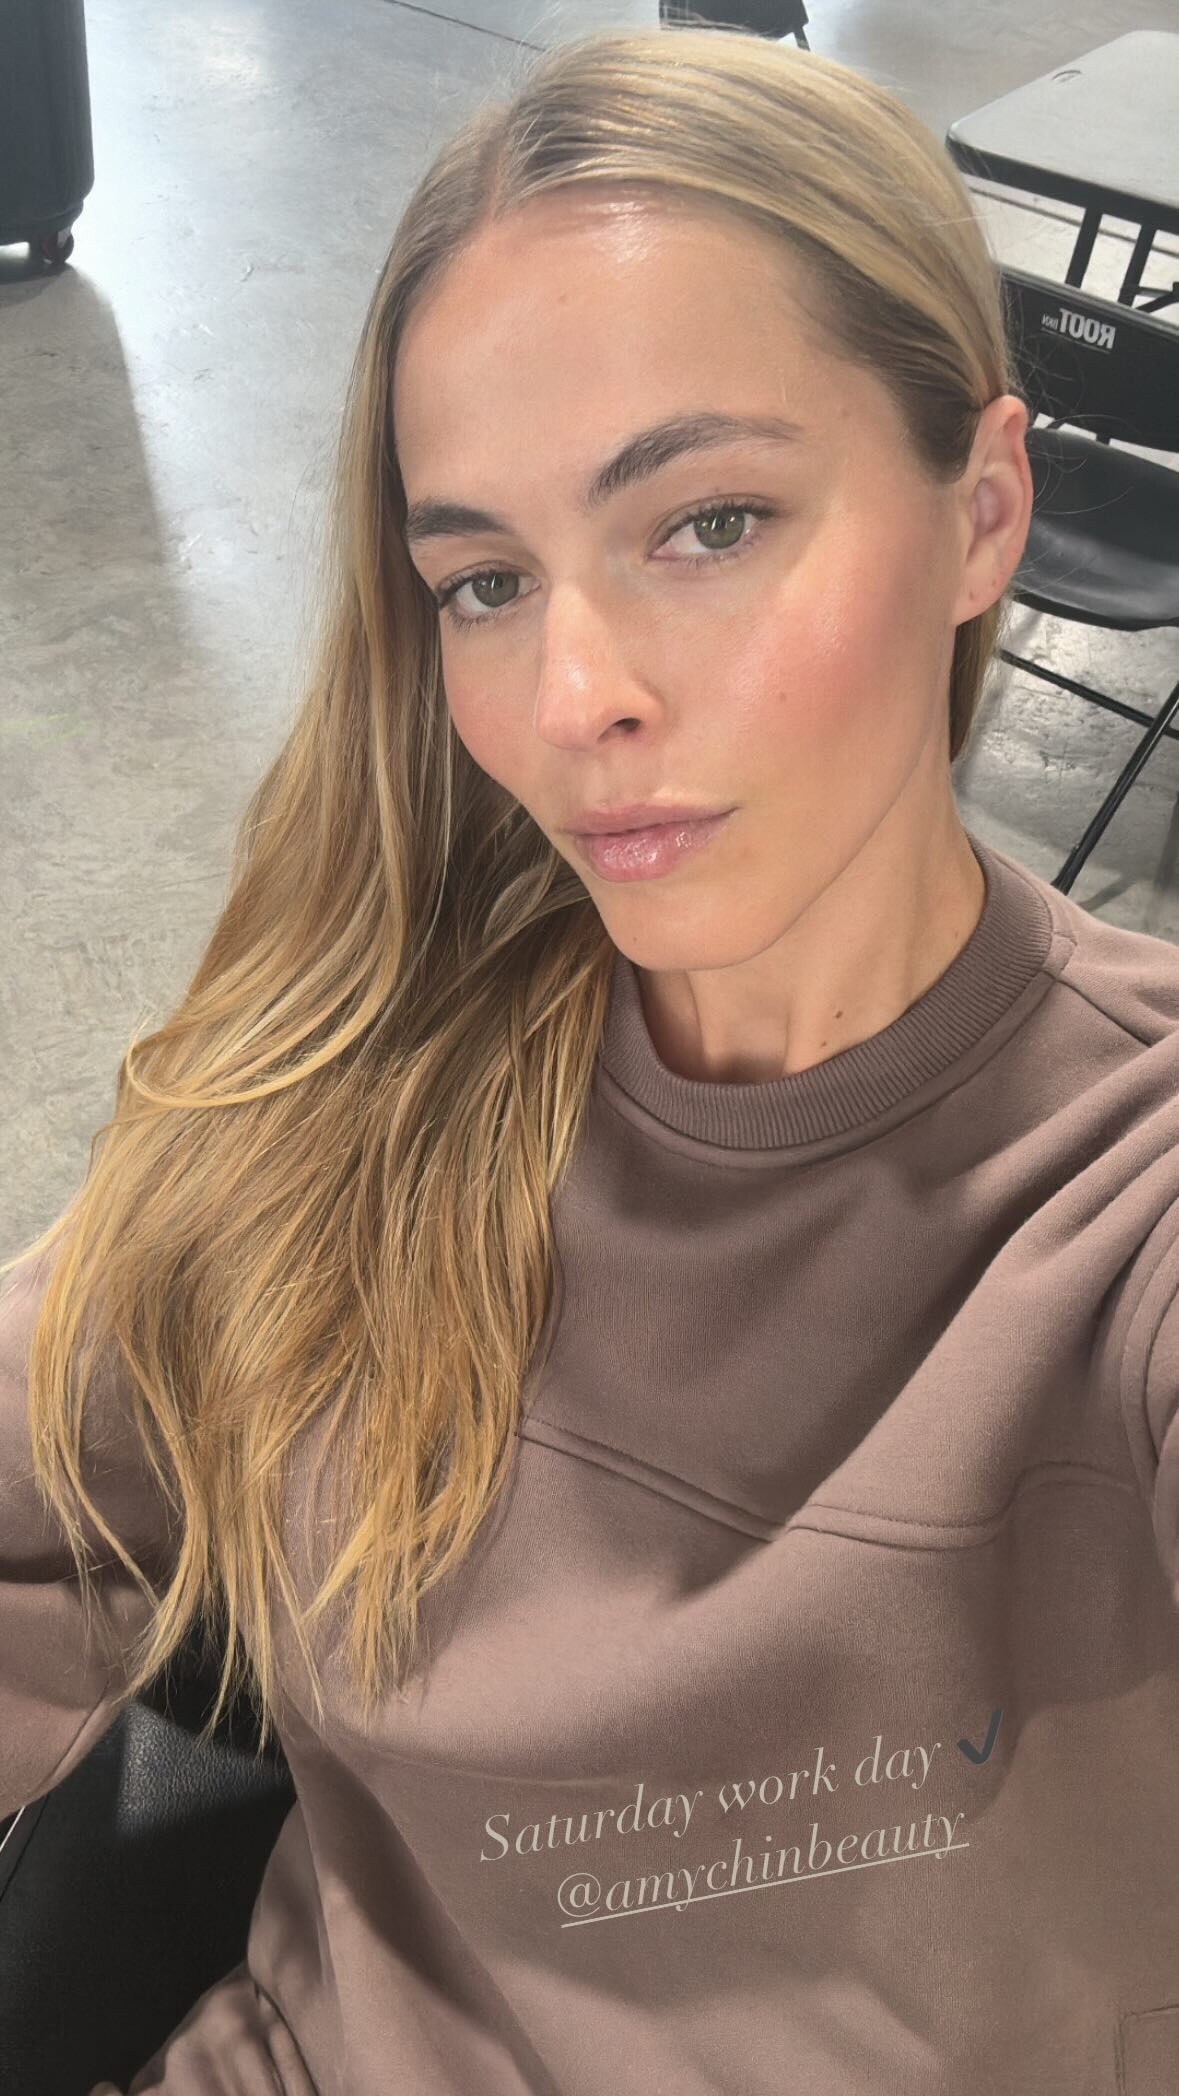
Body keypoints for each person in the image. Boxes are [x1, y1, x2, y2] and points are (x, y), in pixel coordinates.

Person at [4, 23, 1179, 2096]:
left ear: (982, 510)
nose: (572, 698)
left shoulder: (1122, 1209)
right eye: (483, 579)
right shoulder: (362, 1093)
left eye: (708, 523)